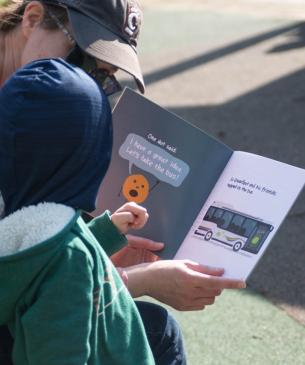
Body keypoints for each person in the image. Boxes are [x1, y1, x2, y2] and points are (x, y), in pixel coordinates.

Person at [0, 0, 246, 363]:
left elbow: (23, 256)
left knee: (151, 327)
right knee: (153, 332)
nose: (91, 86)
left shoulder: (46, 109)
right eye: (82, 63)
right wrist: (132, 280)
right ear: (33, 18)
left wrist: (97, 249)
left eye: (104, 77)